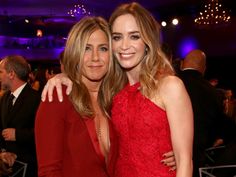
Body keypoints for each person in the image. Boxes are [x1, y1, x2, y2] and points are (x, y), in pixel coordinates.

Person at [42, 3, 192, 177]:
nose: (124, 45)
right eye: (117, 37)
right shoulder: (114, 91)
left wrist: (177, 153)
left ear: (148, 41)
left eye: (134, 36)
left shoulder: (170, 86)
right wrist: (64, 76)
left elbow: (185, 161)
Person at [35, 16, 120, 177]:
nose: (95, 57)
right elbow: (49, 171)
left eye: (103, 48)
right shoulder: (58, 96)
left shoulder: (117, 99)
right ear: (75, 53)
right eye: (86, 48)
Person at [179, 49, 232, 177]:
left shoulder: (169, 83)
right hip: (197, 158)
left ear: (181, 64)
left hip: (166, 155)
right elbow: (220, 128)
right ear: (204, 68)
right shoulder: (214, 94)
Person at [0, 55, 41, 177]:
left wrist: (18, 134)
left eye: (1, 72)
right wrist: (2, 153)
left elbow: (44, 134)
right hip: (6, 166)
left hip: (29, 168)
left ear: (11, 74)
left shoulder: (37, 99)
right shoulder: (4, 98)